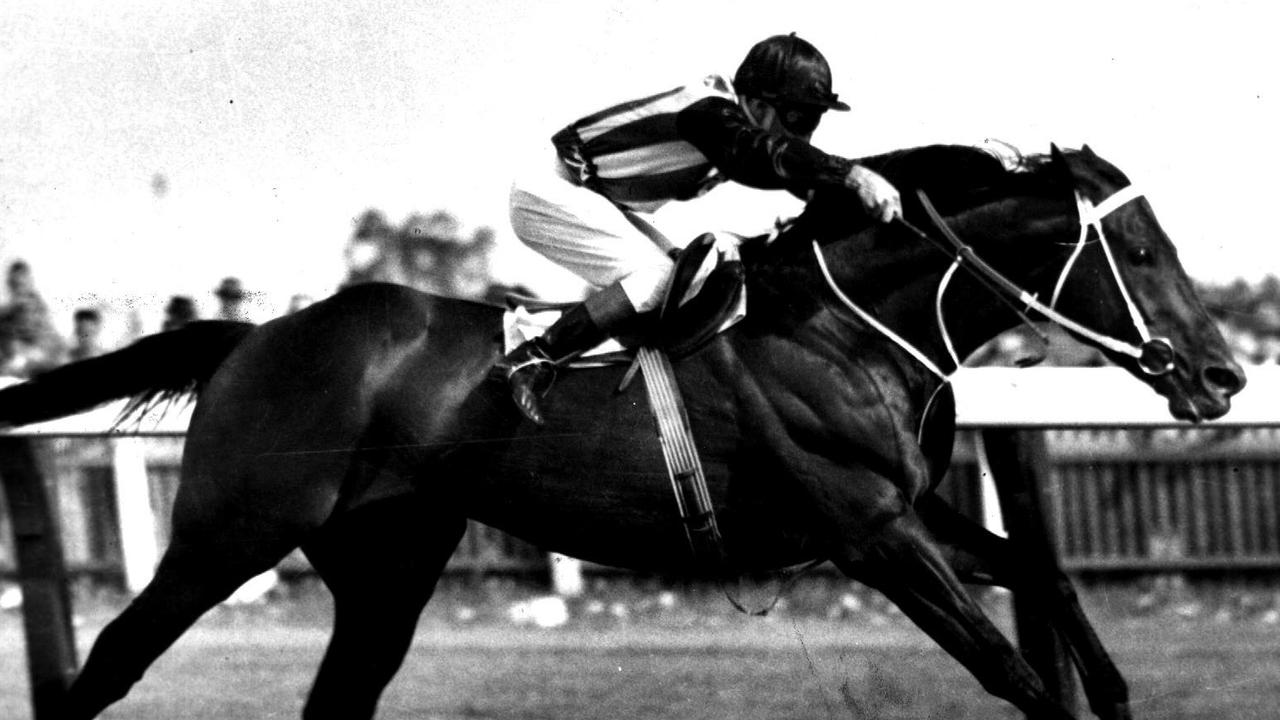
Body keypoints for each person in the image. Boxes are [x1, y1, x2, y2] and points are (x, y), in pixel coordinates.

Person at [503, 33, 903, 423]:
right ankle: (535, 358)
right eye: (798, 117)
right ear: (758, 105)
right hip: (548, 189)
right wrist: (852, 176)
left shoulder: (741, 123)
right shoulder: (709, 112)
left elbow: (795, 172)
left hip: (588, 195)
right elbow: (764, 156)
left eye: (813, 119)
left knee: (683, 277)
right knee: (659, 279)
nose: (805, 133)